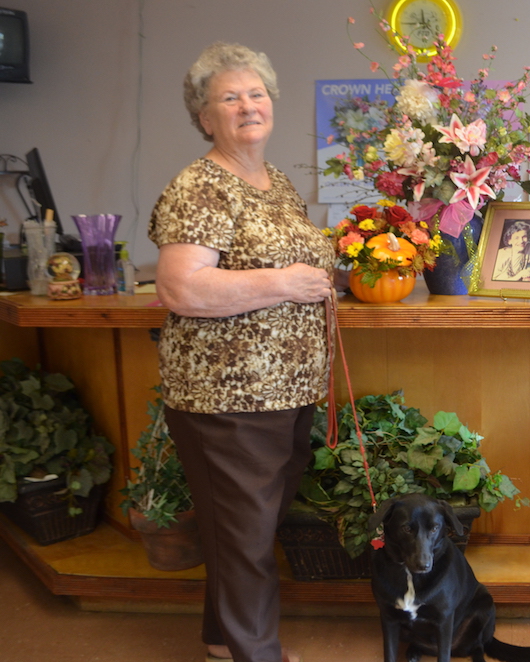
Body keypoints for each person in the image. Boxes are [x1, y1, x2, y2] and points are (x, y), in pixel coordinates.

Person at [148, 42, 336, 662]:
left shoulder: (275, 181)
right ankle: (256, 654)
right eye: (229, 98)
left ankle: (222, 639)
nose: (247, 106)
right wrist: (286, 281)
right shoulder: (199, 186)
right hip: (229, 395)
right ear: (204, 118)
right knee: (245, 536)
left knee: (246, 531)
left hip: (286, 390)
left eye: (255, 94)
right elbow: (180, 286)